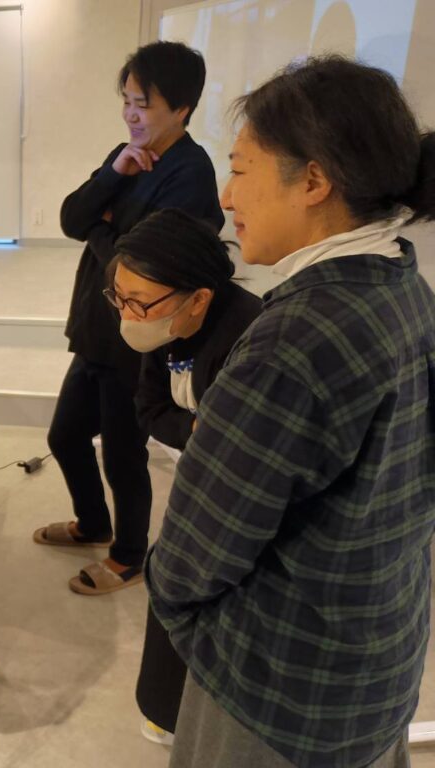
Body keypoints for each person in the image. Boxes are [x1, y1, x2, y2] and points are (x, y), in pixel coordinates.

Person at [146, 56, 435, 768]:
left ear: (313, 181)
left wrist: (192, 626)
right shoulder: (404, 284)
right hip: (376, 663)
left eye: (240, 169)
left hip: (279, 693)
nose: (226, 195)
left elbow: (194, 552)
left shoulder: (293, 339)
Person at [34, 41, 224, 595]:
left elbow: (142, 264)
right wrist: (110, 179)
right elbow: (72, 218)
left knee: (122, 455)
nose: (131, 115)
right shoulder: (127, 155)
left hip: (138, 340)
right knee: (65, 436)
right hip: (98, 326)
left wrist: (102, 228)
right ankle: (93, 524)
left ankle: (128, 556)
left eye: (144, 104)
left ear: (182, 109)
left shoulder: (191, 174)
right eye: (127, 101)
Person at [100, 208, 261, 740]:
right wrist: (197, 429)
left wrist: (199, 432)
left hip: (235, 494)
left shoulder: (250, 336)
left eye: (139, 303)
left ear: (199, 298)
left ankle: (196, 719)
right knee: (170, 584)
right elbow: (150, 409)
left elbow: (237, 443)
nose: (128, 314)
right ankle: (166, 713)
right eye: (119, 298)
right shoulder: (165, 328)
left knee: (199, 593)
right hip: (197, 475)